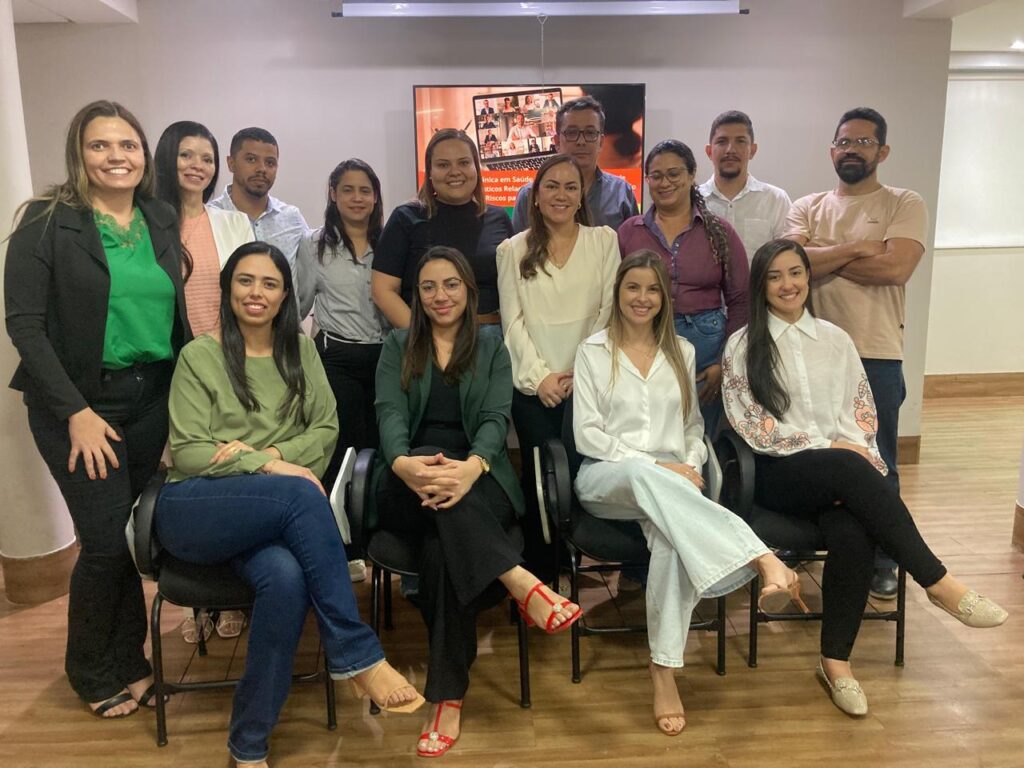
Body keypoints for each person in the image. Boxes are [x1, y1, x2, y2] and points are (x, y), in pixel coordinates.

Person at [155, 242, 424, 767]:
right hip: (195, 508)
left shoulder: (301, 351)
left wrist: (262, 456)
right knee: (301, 492)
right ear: (227, 288)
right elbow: (189, 453)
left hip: (269, 515)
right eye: (245, 280)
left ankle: (248, 745)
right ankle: (357, 655)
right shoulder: (199, 356)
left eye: (270, 283)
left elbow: (326, 430)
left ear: (285, 296)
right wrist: (272, 465)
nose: (256, 293)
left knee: (286, 579)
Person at [721, 239, 1008, 716]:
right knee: (848, 466)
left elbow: (861, 414)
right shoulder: (743, 344)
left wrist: (847, 455)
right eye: (774, 276)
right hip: (777, 472)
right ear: (760, 286)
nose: (788, 284)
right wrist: (832, 450)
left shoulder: (836, 340)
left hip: (841, 472)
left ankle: (836, 664)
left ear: (808, 278)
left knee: (853, 529)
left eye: (796, 272)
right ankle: (937, 582)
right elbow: (751, 424)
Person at [4, 100, 191, 718]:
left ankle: (130, 659)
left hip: (150, 397)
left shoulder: (159, 217)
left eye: (128, 145)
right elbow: (25, 326)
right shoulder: (46, 221)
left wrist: (185, 405)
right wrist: (77, 412)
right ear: (78, 153)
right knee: (105, 541)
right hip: (78, 405)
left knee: (128, 535)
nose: (116, 157)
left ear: (144, 155)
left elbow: (174, 317)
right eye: (100, 145)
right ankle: (90, 669)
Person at [573, 250, 805, 735]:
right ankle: (762, 557)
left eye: (652, 289)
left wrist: (690, 466)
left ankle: (663, 670)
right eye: (633, 287)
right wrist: (661, 467)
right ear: (618, 292)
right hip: (608, 477)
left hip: (672, 486)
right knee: (643, 475)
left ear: (664, 298)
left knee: (670, 540)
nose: (642, 298)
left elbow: (693, 428)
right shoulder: (593, 350)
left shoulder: (682, 351)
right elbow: (587, 435)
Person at [375, 246, 582, 757]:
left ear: (469, 291)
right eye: (428, 287)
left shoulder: (491, 346)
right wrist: (402, 463)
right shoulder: (397, 344)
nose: (440, 296)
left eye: (451, 284)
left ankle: (446, 698)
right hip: (408, 479)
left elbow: (494, 418)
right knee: (431, 474)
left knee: (441, 554)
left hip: (478, 473)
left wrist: (470, 468)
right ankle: (519, 580)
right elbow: (389, 413)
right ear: (417, 296)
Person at [784, 107, 927, 600]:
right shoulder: (808, 205)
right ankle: (808, 541)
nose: (852, 149)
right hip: (809, 355)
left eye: (864, 142)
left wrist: (823, 256)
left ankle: (886, 559)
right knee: (810, 454)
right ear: (832, 150)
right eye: (844, 141)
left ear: (882, 151)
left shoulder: (903, 202)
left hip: (875, 354)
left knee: (878, 458)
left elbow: (895, 269)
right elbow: (790, 265)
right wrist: (860, 247)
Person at [154, 120, 254, 643]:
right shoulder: (150, 222)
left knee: (230, 473)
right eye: (187, 155)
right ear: (167, 158)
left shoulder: (233, 223)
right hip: (170, 371)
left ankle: (232, 595)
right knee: (188, 477)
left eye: (207, 157)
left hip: (226, 367)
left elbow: (249, 294)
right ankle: (195, 604)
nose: (198, 166)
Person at [497, 153, 619, 578]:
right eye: (551, 186)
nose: (561, 195)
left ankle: (578, 561)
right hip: (535, 388)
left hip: (588, 384)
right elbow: (512, 323)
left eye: (570, 186)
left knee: (583, 476)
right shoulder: (512, 249)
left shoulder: (604, 241)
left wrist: (578, 373)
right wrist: (541, 377)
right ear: (535, 194)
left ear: (582, 194)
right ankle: (542, 576)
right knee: (539, 482)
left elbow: (608, 312)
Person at [618, 139, 748, 434]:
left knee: (696, 436)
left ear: (691, 175)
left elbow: (740, 299)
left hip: (706, 349)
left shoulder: (719, 231)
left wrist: (723, 362)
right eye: (656, 176)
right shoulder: (629, 232)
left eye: (674, 174)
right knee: (648, 430)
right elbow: (616, 296)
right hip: (645, 340)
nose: (665, 183)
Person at [296, 159, 386, 490]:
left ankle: (375, 511)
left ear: (375, 197)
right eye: (348, 190)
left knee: (381, 442)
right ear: (333, 194)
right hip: (337, 358)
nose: (357, 198)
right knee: (344, 445)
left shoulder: (390, 242)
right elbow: (297, 305)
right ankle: (338, 513)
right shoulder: (313, 245)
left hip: (385, 358)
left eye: (365, 191)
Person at [371, 128, 511, 337]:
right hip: (425, 337)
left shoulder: (499, 219)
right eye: (443, 165)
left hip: (490, 338)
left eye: (464, 162)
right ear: (430, 172)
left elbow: (514, 289)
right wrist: (425, 340)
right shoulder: (405, 218)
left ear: (476, 167)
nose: (455, 171)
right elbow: (383, 290)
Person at [511, 96, 638, 233]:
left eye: (590, 133)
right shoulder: (529, 195)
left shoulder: (621, 192)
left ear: (601, 142)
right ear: (557, 142)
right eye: (572, 133)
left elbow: (633, 244)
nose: (581, 141)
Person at [208, 127, 309, 276]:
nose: (262, 169)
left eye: (270, 163)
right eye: (251, 159)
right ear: (231, 163)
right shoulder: (209, 216)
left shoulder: (291, 218)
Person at [699, 110, 791, 262]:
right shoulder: (692, 200)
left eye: (740, 141)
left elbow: (786, 259)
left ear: (752, 151)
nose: (730, 150)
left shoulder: (776, 199)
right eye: (722, 141)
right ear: (709, 151)